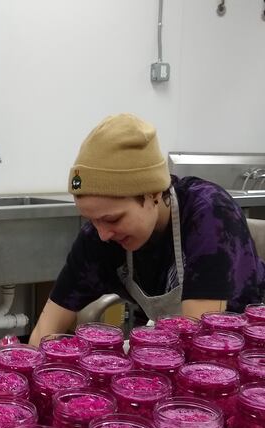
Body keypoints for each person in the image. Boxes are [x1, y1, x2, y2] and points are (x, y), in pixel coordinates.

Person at [29, 113, 265, 345]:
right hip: (176, 349)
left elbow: (199, 343)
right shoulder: (99, 238)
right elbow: (46, 328)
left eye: (113, 219)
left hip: (244, 350)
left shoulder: (209, 215)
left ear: (152, 193)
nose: (102, 234)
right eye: (92, 220)